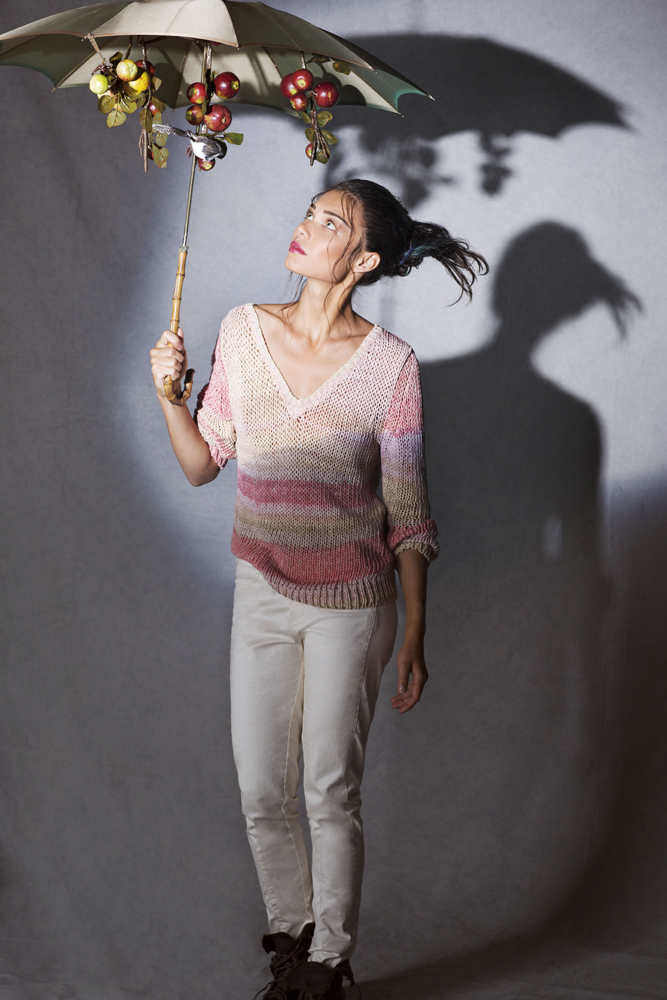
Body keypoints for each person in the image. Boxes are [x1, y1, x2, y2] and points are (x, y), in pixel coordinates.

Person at [149, 179, 487, 1000]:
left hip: (352, 606)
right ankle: (292, 939)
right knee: (260, 789)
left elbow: (408, 512)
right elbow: (201, 464)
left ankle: (329, 963)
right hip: (260, 590)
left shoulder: (389, 367)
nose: (304, 226)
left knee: (328, 790)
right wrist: (168, 397)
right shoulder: (242, 330)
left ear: (362, 260)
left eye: (329, 223)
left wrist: (414, 631)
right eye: (309, 212)